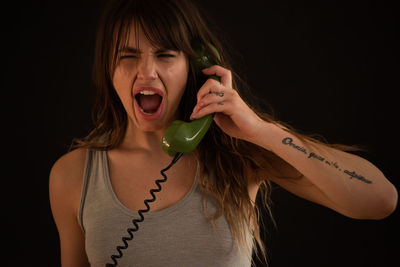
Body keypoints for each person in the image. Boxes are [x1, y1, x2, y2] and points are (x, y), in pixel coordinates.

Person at [49, 0, 398, 266]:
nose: (147, 72)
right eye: (127, 56)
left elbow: (380, 199)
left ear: (197, 66)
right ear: (108, 70)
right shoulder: (74, 176)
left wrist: (259, 130)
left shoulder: (238, 155)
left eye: (166, 54)